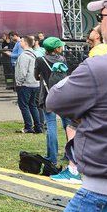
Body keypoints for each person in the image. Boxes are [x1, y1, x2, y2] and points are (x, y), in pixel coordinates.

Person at [47, 0, 107, 212]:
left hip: (103, 196)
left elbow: (55, 99)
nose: (100, 24)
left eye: (103, 16)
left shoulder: (99, 67)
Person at [34, 36, 70, 171]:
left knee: (51, 126)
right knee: (68, 126)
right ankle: (69, 154)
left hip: (48, 96)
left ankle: (52, 157)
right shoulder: (63, 59)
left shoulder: (40, 60)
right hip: (63, 97)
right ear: (56, 48)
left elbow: (35, 76)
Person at [14, 35, 43, 134]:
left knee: (24, 106)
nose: (20, 42)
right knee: (33, 105)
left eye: (21, 41)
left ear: (25, 43)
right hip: (35, 83)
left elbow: (22, 72)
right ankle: (38, 127)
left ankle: (28, 127)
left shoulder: (24, 56)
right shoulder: (35, 54)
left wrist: (19, 83)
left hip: (25, 84)